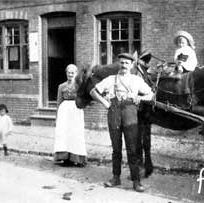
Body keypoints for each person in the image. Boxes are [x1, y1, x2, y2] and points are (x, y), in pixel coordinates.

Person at [90, 53, 154, 192]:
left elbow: (151, 94)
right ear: (119, 64)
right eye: (122, 62)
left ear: (131, 65)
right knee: (116, 149)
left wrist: (140, 98)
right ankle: (115, 177)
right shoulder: (110, 79)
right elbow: (93, 92)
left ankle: (136, 181)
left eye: (127, 63)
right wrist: (105, 103)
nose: (124, 65)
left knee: (132, 149)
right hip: (114, 115)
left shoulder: (136, 80)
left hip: (130, 115)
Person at [53, 64, 87, 167]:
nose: (70, 74)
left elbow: (84, 99)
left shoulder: (79, 85)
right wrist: (57, 116)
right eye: (69, 72)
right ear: (66, 73)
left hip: (76, 110)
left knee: (76, 133)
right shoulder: (61, 86)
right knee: (64, 133)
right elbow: (59, 102)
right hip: (64, 111)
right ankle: (65, 158)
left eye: (72, 73)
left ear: (76, 74)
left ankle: (78, 159)